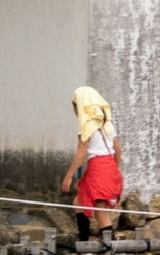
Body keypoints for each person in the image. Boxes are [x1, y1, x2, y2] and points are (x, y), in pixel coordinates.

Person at [60, 87, 125, 233]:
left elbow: (81, 153)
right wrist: (113, 168)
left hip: (97, 168)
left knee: (100, 211)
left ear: (79, 106)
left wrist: (68, 177)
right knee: (79, 202)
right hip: (109, 166)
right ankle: (84, 243)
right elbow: (118, 149)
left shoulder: (86, 126)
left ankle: (104, 247)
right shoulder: (107, 124)